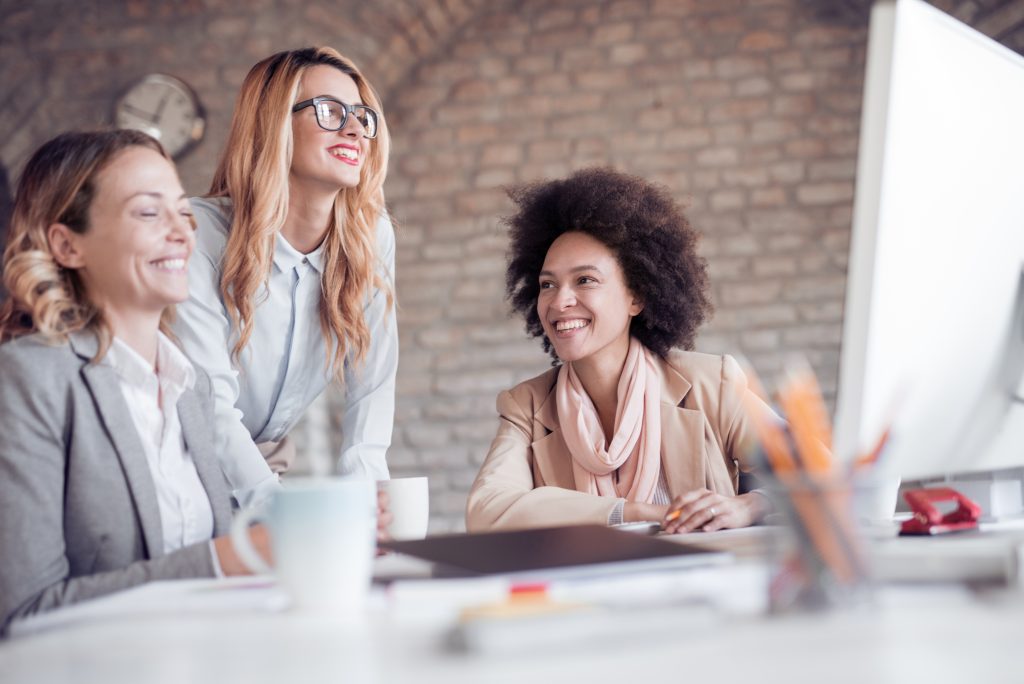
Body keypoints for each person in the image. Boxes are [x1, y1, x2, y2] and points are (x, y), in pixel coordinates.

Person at [0, 130, 268, 635]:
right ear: (67, 244)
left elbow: (231, 545)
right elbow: (20, 614)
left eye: (183, 213)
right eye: (149, 213)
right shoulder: (28, 380)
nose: (183, 232)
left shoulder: (192, 389)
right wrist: (217, 563)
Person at [466, 167, 773, 534]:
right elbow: (486, 511)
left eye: (585, 280)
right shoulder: (526, 407)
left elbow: (821, 479)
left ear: (637, 297)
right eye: (548, 284)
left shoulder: (713, 385)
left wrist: (747, 507)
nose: (559, 300)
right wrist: (634, 512)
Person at [172, 47, 398, 508]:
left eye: (360, 115)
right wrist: (280, 513)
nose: (354, 128)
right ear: (274, 125)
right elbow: (209, 403)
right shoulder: (201, 235)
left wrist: (365, 500)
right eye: (330, 111)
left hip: (262, 473)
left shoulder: (369, 237)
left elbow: (372, 386)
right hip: (179, 475)